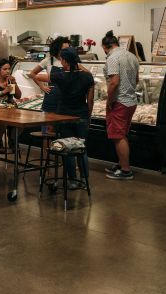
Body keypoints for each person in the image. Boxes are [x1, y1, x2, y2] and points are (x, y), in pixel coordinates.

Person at [50, 48, 95, 189]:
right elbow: (90, 99)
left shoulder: (60, 75)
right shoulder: (88, 77)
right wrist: (88, 116)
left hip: (64, 116)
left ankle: (73, 181)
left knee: (68, 149)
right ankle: (84, 180)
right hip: (81, 115)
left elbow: (35, 75)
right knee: (81, 148)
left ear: (65, 60)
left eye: (61, 59)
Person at [101, 30, 140, 180]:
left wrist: (109, 101)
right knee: (122, 134)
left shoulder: (112, 58)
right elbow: (136, 80)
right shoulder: (132, 56)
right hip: (131, 101)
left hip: (119, 102)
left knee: (118, 136)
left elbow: (114, 82)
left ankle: (125, 170)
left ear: (105, 47)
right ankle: (121, 163)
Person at [29, 36, 70, 116]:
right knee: (49, 125)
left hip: (66, 97)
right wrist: (41, 86)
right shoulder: (48, 61)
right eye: (64, 49)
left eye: (68, 49)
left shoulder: (69, 60)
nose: (67, 51)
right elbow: (32, 74)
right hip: (51, 98)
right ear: (57, 49)